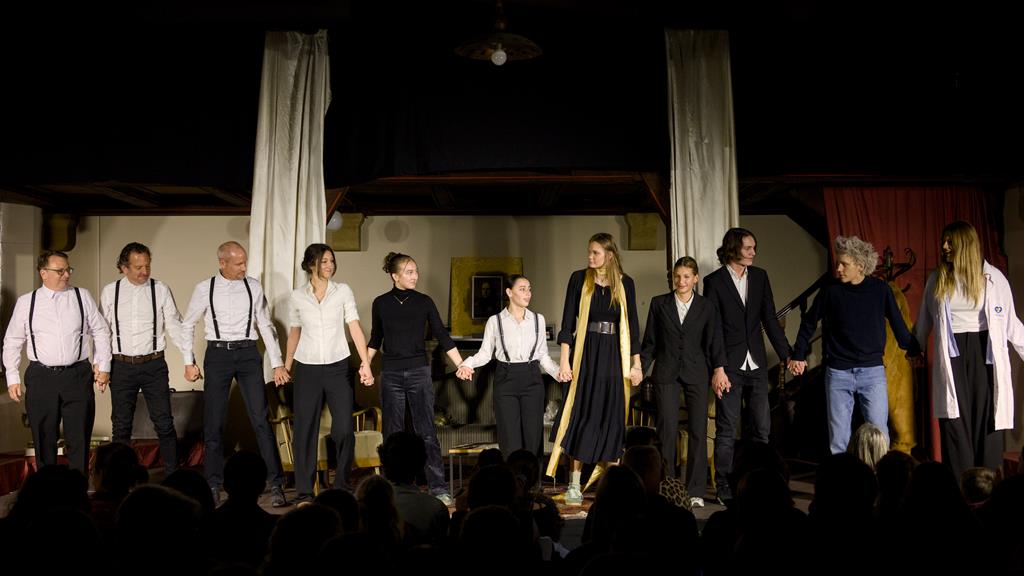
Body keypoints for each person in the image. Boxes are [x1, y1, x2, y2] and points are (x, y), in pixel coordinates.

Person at [180, 241, 289, 507]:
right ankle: (213, 483)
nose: (244, 268)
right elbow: (188, 324)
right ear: (222, 263)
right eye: (239, 263)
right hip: (217, 355)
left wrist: (277, 363)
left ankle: (276, 483)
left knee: (261, 420)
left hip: (248, 353)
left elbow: (265, 325)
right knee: (214, 423)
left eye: (245, 262)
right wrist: (188, 361)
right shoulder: (205, 288)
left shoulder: (253, 287)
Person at [913, 221, 1024, 481]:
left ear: (965, 244)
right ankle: (961, 490)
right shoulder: (938, 279)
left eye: (950, 242)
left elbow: (1012, 324)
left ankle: (987, 491)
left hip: (985, 356)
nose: (944, 247)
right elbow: (924, 322)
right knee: (956, 428)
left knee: (987, 424)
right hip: (952, 360)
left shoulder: (994, 279)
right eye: (943, 241)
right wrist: (913, 346)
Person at [789, 235, 921, 454]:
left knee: (879, 434)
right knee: (839, 439)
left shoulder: (880, 290)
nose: (838, 269)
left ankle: (878, 473)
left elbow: (899, 327)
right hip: (838, 373)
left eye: (844, 264)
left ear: (860, 265)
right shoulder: (830, 291)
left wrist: (914, 350)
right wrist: (799, 354)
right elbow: (809, 323)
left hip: (872, 372)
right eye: (837, 263)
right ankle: (844, 475)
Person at [547, 232, 642, 505]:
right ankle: (574, 484)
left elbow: (633, 326)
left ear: (609, 255)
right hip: (586, 354)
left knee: (612, 416)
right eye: (589, 252)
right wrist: (565, 361)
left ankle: (612, 485)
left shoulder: (625, 283)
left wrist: (636, 364)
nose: (590, 257)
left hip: (614, 356)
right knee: (583, 414)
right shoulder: (579, 279)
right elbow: (567, 323)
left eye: (595, 253)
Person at [366, 252, 464, 506]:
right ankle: (393, 487)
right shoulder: (381, 303)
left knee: (427, 432)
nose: (415, 276)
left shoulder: (424, 302)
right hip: (391, 374)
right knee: (392, 434)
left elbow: (442, 335)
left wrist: (461, 364)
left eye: (416, 271)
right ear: (394, 275)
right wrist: (365, 365)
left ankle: (438, 487)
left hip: (419, 372)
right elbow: (376, 338)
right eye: (409, 272)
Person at [702, 227, 791, 504]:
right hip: (729, 366)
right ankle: (724, 485)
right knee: (727, 429)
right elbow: (713, 328)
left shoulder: (760, 277)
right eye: (748, 247)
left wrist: (787, 355)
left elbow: (770, 319)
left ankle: (759, 481)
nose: (753, 252)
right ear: (733, 248)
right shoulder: (714, 281)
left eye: (754, 247)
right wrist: (718, 367)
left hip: (757, 365)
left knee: (761, 429)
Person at [3, 251, 111, 473]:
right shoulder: (27, 302)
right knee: (44, 438)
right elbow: (12, 340)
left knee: (79, 437)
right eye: (60, 271)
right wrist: (12, 376)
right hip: (41, 376)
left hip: (77, 375)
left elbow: (101, 331)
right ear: (43, 273)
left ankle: (78, 489)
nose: (66, 275)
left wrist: (103, 365)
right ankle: (47, 489)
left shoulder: (82, 296)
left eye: (68, 270)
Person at [283, 243, 373, 502]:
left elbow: (354, 327)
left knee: (344, 429)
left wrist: (365, 363)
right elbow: (294, 333)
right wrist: (286, 367)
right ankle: (304, 492)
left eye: (332, 261)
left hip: (337, 367)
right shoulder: (297, 296)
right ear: (311, 264)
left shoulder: (342, 291)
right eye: (324, 261)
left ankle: (341, 485)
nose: (330, 265)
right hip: (307, 368)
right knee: (304, 431)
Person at [640, 256, 729, 508]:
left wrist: (719, 369)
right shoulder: (659, 303)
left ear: (695, 279)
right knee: (666, 431)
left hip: (697, 372)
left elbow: (714, 341)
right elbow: (650, 343)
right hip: (666, 372)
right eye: (677, 276)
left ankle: (695, 490)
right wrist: (639, 369)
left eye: (686, 276)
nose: (681, 281)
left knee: (698, 431)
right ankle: (668, 486)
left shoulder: (706, 306)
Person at [100, 242, 186, 475]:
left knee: (164, 423)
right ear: (124, 268)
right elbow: (102, 332)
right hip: (121, 366)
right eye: (138, 267)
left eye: (147, 266)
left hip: (153, 365)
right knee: (121, 426)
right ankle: (120, 478)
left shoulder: (160, 289)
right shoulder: (110, 292)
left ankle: (173, 476)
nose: (144, 271)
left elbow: (175, 326)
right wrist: (101, 367)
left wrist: (189, 359)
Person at [457, 274, 565, 458]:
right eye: (522, 289)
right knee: (509, 438)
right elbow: (485, 354)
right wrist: (466, 364)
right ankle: (510, 475)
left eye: (529, 289)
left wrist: (559, 373)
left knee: (533, 437)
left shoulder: (538, 320)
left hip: (532, 377)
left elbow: (543, 356)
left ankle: (534, 476)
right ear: (509, 292)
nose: (528, 293)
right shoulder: (495, 321)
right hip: (505, 377)